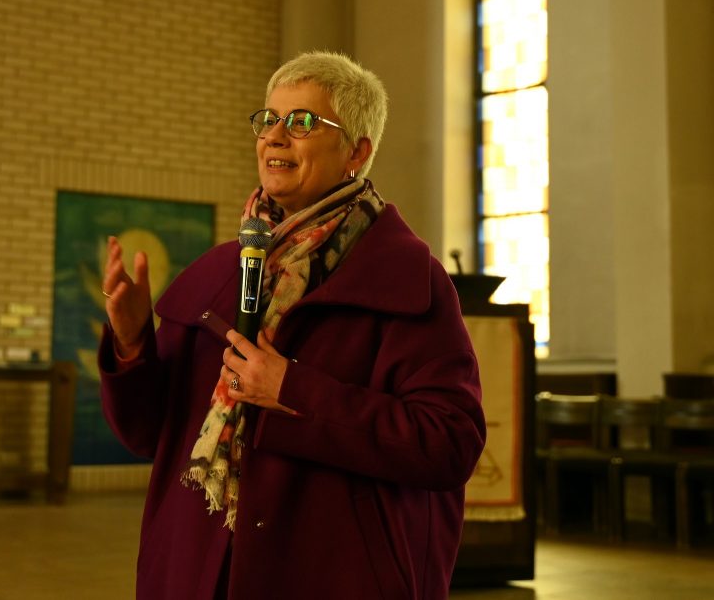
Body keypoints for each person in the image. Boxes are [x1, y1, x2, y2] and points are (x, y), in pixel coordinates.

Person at [98, 51, 485, 599]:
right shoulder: (219, 271)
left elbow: (448, 444)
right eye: (268, 119)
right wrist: (131, 342)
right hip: (196, 572)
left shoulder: (406, 279)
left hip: (330, 574)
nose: (275, 137)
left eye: (302, 122)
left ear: (356, 152)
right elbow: (147, 434)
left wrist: (293, 391)